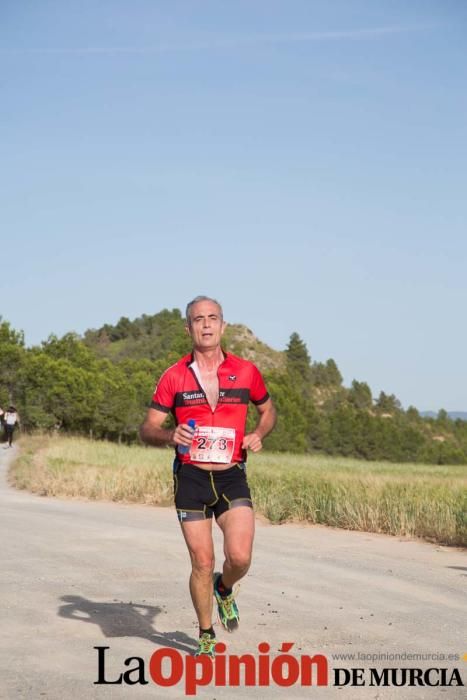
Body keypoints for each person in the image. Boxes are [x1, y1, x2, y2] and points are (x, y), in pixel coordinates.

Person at [140, 296, 276, 657]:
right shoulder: (173, 376)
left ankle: (225, 588)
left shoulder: (246, 371)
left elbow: (268, 411)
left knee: (240, 557)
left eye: (212, 318)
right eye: (198, 319)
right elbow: (147, 428)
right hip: (192, 478)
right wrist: (170, 435)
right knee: (202, 561)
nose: (206, 325)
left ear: (223, 325)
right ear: (188, 328)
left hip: (232, 475)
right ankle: (205, 634)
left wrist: (259, 433)